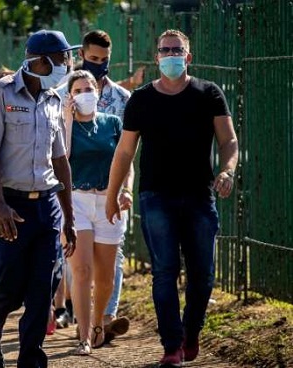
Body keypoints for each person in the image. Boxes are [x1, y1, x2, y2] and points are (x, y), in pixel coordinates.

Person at [105, 29, 238, 368]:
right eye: (165, 50)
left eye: (177, 50)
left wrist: (228, 170)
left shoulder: (209, 94)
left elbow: (228, 141)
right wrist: (113, 194)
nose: (171, 55)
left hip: (199, 195)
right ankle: (172, 345)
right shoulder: (142, 99)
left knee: (203, 274)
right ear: (156, 58)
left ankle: (191, 332)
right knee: (164, 271)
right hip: (156, 196)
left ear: (188, 56)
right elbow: (124, 151)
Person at [0, 29, 78, 368]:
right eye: (62, 59)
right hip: (11, 207)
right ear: (40, 61)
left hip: (46, 206)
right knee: (10, 287)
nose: (67, 65)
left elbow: (60, 160)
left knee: (42, 288)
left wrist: (69, 217)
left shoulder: (54, 99)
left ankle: (31, 359)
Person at [54, 29, 134, 339]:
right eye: (93, 59)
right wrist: (69, 117)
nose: (99, 65)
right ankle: (84, 327)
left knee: (109, 267)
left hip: (110, 196)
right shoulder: (60, 100)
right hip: (75, 199)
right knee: (80, 267)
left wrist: (124, 190)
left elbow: (126, 155)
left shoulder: (120, 105)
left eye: (104, 60)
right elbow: (61, 156)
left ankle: (105, 318)